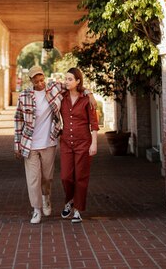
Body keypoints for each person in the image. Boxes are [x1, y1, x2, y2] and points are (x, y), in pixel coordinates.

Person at [14, 66, 96, 224]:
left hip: (49, 142)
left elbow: (74, 85)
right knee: (33, 179)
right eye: (36, 81)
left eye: (41, 79)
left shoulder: (54, 88)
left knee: (47, 178)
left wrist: (89, 93)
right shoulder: (24, 95)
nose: (40, 83)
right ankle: (36, 210)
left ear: (44, 77)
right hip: (29, 144)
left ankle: (46, 198)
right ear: (30, 81)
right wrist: (16, 144)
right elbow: (18, 120)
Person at [59, 67, 99, 224]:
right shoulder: (62, 97)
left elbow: (93, 124)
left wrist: (94, 143)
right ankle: (69, 200)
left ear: (77, 81)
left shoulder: (86, 100)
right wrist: (90, 91)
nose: (66, 81)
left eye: (70, 79)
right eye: (66, 78)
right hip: (66, 143)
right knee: (66, 177)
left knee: (81, 177)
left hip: (84, 143)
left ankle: (77, 211)